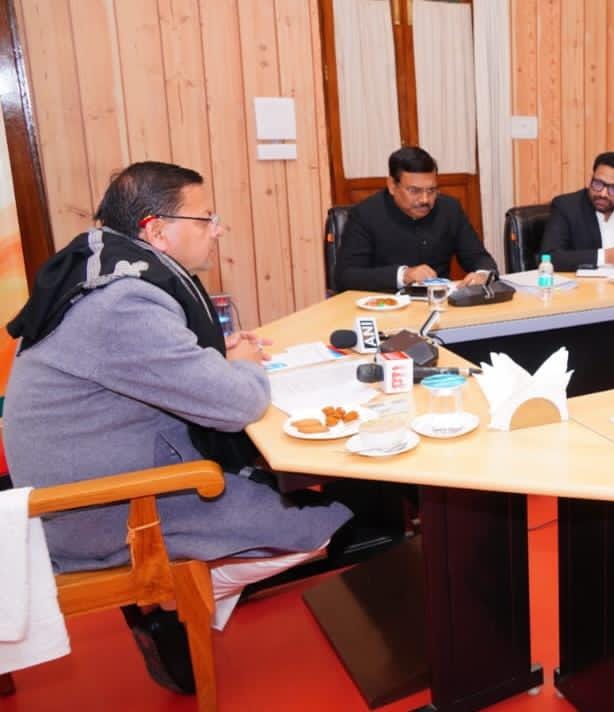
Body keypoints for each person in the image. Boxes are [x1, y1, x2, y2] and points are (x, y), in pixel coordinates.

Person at [3, 161, 353, 691]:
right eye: (205, 218)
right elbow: (237, 404)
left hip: (87, 484)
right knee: (329, 517)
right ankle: (170, 600)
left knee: (283, 481)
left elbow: (147, 367)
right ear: (156, 230)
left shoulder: (105, 270)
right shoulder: (123, 303)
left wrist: (214, 359)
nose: (216, 230)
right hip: (108, 509)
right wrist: (245, 368)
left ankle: (174, 603)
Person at [336, 146, 498, 292]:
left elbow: (479, 257)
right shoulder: (365, 214)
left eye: (432, 190)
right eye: (414, 191)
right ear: (392, 185)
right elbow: (346, 276)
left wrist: (483, 275)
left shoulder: (450, 209)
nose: (425, 199)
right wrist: (404, 275)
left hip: (440, 303)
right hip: (386, 305)